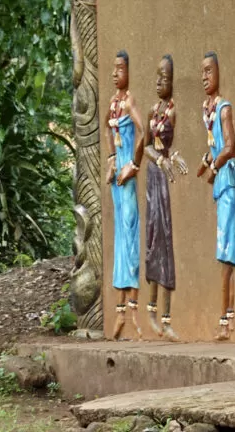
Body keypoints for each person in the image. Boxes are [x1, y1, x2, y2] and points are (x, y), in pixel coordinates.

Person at [196, 51, 235, 341]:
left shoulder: (224, 109)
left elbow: (230, 147)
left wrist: (213, 166)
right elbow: (216, 146)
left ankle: (227, 318)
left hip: (227, 183)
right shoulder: (208, 110)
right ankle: (226, 316)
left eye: (209, 71)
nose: (204, 77)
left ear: (219, 74)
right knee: (223, 251)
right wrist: (204, 164)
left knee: (226, 253)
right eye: (202, 72)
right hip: (219, 183)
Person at [143, 55, 188, 341]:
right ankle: (150, 309)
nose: (160, 81)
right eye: (158, 76)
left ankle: (167, 315)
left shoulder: (172, 112)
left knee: (165, 241)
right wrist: (159, 160)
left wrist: (172, 157)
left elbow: (170, 148)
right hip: (153, 176)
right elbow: (147, 147)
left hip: (164, 181)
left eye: (166, 77)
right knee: (152, 240)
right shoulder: (152, 110)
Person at [106, 50, 144, 339]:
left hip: (127, 178)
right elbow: (110, 131)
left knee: (131, 237)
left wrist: (132, 165)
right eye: (114, 69)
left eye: (120, 68)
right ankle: (120, 310)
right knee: (120, 238)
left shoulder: (130, 102)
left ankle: (133, 309)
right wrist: (111, 160)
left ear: (129, 72)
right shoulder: (113, 103)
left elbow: (143, 133)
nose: (115, 73)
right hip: (115, 179)